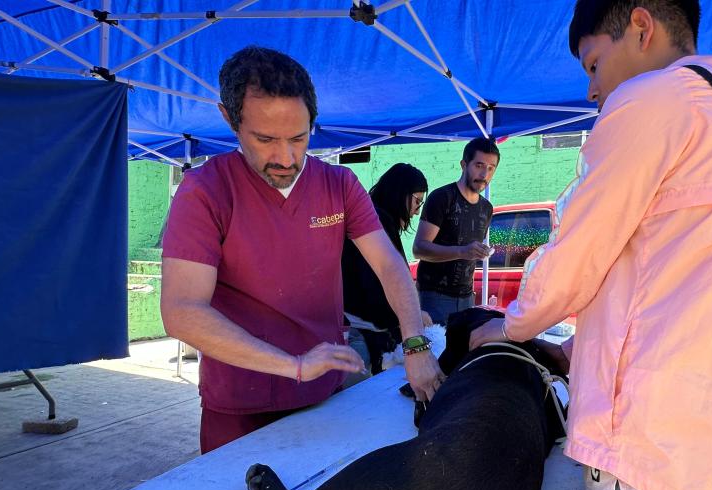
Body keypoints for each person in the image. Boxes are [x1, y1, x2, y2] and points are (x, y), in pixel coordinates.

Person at [470, 1, 712, 490]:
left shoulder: (653, 100)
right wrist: (580, 349)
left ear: (641, 28)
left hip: (663, 471)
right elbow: (698, 290)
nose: (592, 92)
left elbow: (577, 253)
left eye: (594, 65)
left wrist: (508, 326)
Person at [160, 46, 442, 454]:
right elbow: (182, 311)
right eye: (265, 139)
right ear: (229, 118)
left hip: (325, 396)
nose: (286, 157)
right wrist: (294, 366)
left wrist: (415, 342)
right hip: (240, 404)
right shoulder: (205, 191)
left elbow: (389, 264)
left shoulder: (340, 185)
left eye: (299, 137)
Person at [342, 163, 432, 375]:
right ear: (400, 195)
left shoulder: (374, 218)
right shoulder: (379, 222)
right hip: (361, 331)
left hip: (361, 327)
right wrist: (410, 316)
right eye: (417, 201)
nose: (417, 211)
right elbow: (377, 283)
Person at [412, 137, 499, 325]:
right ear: (463, 164)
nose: (484, 174)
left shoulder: (487, 208)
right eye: (479, 165)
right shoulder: (442, 198)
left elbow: (469, 252)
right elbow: (419, 248)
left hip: (467, 296)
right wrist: (462, 251)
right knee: (435, 351)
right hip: (434, 297)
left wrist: (479, 251)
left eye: (491, 168)